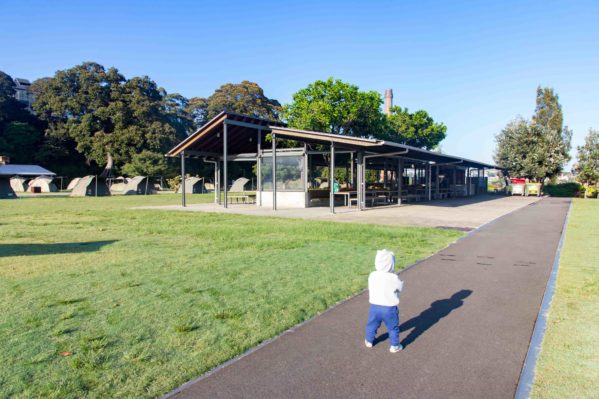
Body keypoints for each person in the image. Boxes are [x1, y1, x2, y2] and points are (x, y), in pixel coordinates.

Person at [364, 249, 404, 353]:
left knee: (372, 324)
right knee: (392, 328)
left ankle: (369, 340)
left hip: (374, 306)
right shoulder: (393, 277)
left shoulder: (372, 275)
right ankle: (394, 345)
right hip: (389, 308)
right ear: (391, 264)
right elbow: (399, 288)